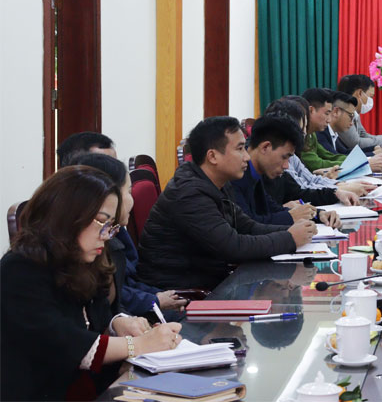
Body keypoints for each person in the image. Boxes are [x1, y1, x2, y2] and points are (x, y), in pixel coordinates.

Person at [1, 166, 182, 401]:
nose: (106, 236)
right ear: (67, 216)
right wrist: (137, 345)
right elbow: (66, 343)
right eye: (102, 222)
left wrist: (118, 324)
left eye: (112, 227)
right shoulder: (19, 270)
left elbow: (96, 317)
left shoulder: (82, 259)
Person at [138, 117, 316, 290]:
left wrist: (296, 231)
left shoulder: (218, 184)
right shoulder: (189, 193)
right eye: (240, 149)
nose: (247, 157)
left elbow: (248, 226)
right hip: (180, 292)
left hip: (209, 279)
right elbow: (233, 247)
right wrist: (289, 238)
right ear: (213, 156)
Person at [70, 153, 189, 317]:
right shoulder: (88, 245)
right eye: (129, 191)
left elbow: (126, 283)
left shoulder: (114, 231)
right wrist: (153, 300)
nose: (132, 199)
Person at [230, 115, 342, 227]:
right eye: (284, 157)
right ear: (265, 147)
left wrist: (318, 214)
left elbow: (272, 209)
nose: (286, 166)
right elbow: (248, 225)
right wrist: (291, 217)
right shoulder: (235, 175)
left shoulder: (257, 173)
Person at [263, 96, 372, 198]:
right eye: (327, 113)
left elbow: (312, 177)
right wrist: (340, 189)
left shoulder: (300, 147)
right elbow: (301, 189)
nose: (304, 133)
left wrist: (339, 185)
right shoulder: (280, 155)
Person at [336, 74, 382, 150]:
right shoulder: (342, 112)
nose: (371, 101)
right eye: (371, 96)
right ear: (360, 93)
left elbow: (363, 135)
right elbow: (356, 143)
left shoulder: (353, 111)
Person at [299, 87, 346, 171]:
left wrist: (361, 160)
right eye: (327, 113)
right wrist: (352, 164)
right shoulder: (300, 135)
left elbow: (329, 156)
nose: (329, 120)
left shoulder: (312, 134)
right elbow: (317, 164)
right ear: (311, 110)